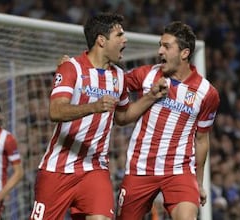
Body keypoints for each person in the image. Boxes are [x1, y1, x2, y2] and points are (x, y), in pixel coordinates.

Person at [30, 13, 167, 220]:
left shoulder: (119, 76)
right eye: (119, 34)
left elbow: (121, 117)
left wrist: (149, 97)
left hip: (95, 168)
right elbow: (55, 111)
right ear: (101, 40)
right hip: (58, 168)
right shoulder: (71, 68)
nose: (125, 40)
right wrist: (93, 106)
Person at [116, 21, 220, 220]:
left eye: (166, 46)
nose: (160, 51)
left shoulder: (207, 93)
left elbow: (201, 140)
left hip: (179, 171)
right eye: (160, 45)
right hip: (141, 168)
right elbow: (113, 81)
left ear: (184, 53)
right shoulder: (147, 74)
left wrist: (198, 183)